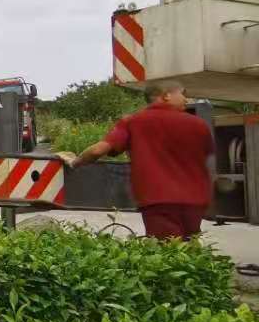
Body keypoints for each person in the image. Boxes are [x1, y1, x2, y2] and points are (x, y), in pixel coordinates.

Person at [57, 80, 213, 239]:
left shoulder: (134, 122)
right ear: (166, 95)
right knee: (191, 251)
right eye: (183, 94)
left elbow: (98, 150)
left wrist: (75, 162)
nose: (187, 99)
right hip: (195, 201)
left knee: (169, 253)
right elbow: (207, 154)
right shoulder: (199, 124)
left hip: (158, 200)